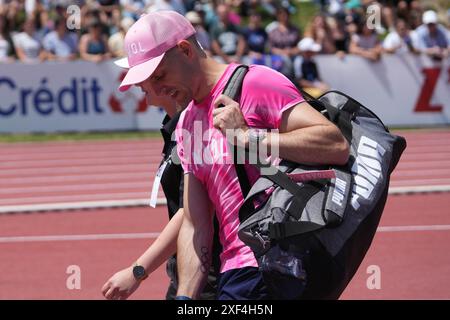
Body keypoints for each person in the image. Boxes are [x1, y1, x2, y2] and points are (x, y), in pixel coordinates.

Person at [117, 10, 349, 300]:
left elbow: (335, 145)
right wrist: (185, 299)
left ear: (186, 50)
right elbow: (194, 223)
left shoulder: (255, 83)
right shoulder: (187, 123)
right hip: (233, 274)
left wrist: (248, 137)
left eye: (160, 75)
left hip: (274, 265)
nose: (156, 88)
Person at [101, 48, 221, 302]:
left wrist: (137, 271)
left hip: (208, 273)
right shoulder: (175, 124)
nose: (136, 81)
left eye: (144, 73)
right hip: (190, 269)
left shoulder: (193, 125)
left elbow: (191, 212)